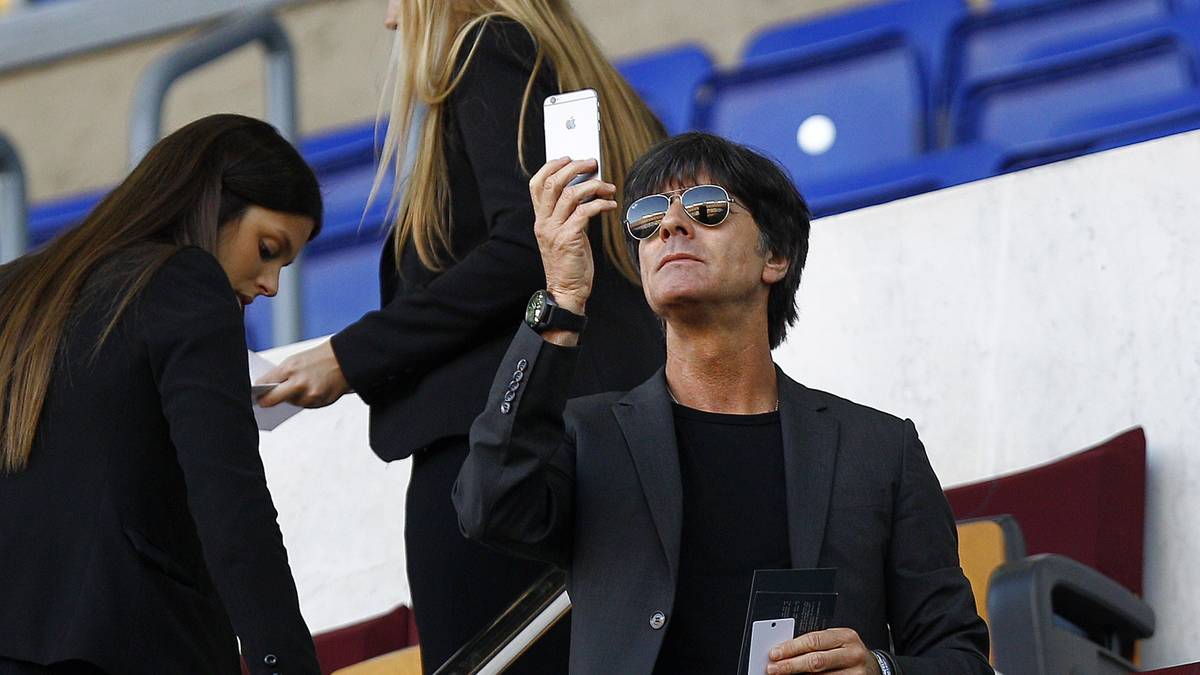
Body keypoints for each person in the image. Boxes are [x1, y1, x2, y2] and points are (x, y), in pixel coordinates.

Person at [454, 132, 994, 675]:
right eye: (647, 219)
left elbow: (961, 657)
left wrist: (880, 669)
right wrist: (562, 303)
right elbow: (487, 507)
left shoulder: (879, 449)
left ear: (775, 255)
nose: (669, 226)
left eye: (706, 209)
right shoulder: (589, 436)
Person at [257, 1, 665, 672]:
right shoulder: (589, 78)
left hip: (503, 454)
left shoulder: (488, 47)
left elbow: (528, 247)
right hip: (590, 442)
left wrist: (346, 356)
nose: (391, 20)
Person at [0, 114, 323, 675]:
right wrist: (285, 662)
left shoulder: (17, 288)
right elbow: (231, 502)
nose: (271, 284)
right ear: (211, 204)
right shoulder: (187, 282)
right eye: (268, 248)